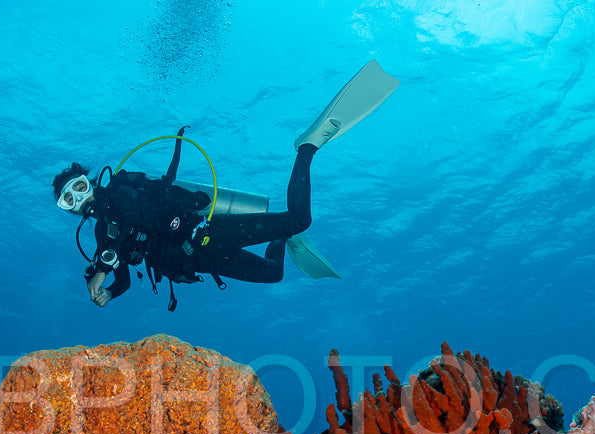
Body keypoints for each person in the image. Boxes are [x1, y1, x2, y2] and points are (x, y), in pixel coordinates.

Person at [53, 60, 400, 310]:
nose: (78, 198)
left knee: (300, 219)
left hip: (209, 235)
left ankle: (307, 148)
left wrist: (100, 270)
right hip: (200, 263)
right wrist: (109, 292)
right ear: (69, 210)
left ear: (90, 182)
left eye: (79, 187)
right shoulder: (103, 239)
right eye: (69, 200)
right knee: (273, 274)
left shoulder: (122, 191)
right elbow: (125, 277)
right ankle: (281, 237)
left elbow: (126, 222)